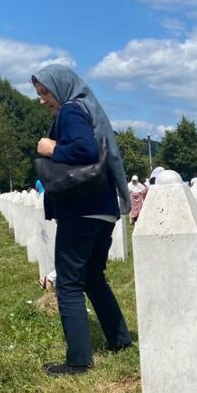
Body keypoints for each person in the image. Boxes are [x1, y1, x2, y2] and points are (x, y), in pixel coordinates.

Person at [31, 64, 133, 377]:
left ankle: (78, 361)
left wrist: (52, 148)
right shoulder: (87, 108)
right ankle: (120, 340)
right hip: (103, 209)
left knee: (69, 283)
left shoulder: (70, 110)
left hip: (81, 210)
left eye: (45, 93)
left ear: (60, 88)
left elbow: (85, 149)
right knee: (92, 277)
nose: (42, 100)